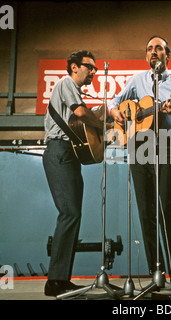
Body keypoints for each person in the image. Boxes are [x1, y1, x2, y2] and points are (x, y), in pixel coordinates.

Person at [108, 35, 171, 286]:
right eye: (149, 49)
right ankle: (158, 273)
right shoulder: (136, 80)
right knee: (145, 212)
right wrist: (116, 113)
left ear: (168, 55)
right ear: (146, 56)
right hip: (137, 147)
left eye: (159, 48)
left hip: (165, 145)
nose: (153, 52)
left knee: (164, 208)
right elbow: (114, 102)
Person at [43, 50, 103, 296]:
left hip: (70, 154)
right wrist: (102, 125)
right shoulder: (67, 83)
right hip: (60, 152)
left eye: (95, 68)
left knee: (73, 214)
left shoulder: (73, 89)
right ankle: (55, 281)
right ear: (74, 67)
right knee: (69, 213)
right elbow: (80, 113)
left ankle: (61, 279)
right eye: (89, 67)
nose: (93, 71)